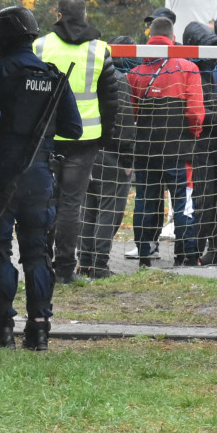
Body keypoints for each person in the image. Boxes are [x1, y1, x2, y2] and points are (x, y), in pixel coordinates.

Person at [0, 6, 81, 350]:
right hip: (40, 176)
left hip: (2, 175)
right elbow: (74, 128)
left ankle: (1, 327)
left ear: (2, 37)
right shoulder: (53, 76)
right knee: (38, 253)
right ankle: (39, 330)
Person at [33, 0, 119, 283]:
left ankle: (40, 264)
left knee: (46, 200)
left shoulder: (41, 46)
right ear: (84, 16)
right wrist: (105, 136)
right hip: (85, 138)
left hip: (47, 137)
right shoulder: (99, 50)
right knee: (71, 205)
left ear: (57, 14)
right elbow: (110, 100)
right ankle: (66, 270)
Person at [127, 17, 204, 266]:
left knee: (146, 200)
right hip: (178, 149)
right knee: (182, 201)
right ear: (172, 39)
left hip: (146, 149)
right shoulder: (188, 68)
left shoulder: (135, 73)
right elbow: (194, 113)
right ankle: (186, 255)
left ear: (150, 38)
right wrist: (194, 134)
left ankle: (145, 253)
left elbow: (133, 114)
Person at [78, 35, 136, 279]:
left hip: (84, 151)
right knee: (108, 210)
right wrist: (127, 159)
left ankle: (85, 261)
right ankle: (99, 264)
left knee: (87, 209)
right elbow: (124, 123)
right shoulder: (118, 80)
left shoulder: (84, 75)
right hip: (111, 155)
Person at [182, 21, 217, 265]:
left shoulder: (192, 71)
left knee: (206, 197)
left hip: (205, 142)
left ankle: (202, 250)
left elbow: (197, 113)